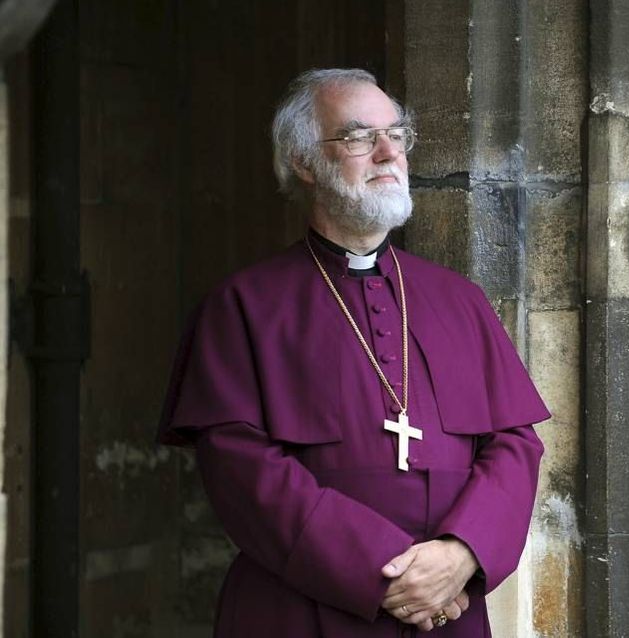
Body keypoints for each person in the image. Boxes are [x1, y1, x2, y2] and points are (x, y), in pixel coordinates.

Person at [157, 68, 550, 637]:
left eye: (398, 135)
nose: (389, 152)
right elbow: (242, 471)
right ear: (302, 162)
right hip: (300, 610)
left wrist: (463, 552)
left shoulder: (458, 299)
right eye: (360, 137)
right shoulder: (243, 306)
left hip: (448, 613)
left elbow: (515, 443)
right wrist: (383, 573)